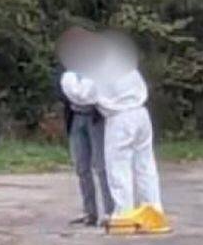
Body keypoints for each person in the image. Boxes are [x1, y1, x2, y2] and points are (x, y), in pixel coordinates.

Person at [59, 30, 162, 216]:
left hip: (120, 118)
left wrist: (68, 79)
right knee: (145, 166)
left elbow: (82, 95)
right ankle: (153, 210)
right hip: (141, 113)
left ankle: (124, 214)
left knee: (118, 167)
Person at [56, 42, 114, 225]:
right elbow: (66, 93)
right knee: (81, 167)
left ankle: (111, 211)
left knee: (101, 165)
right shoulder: (68, 73)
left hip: (95, 117)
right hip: (76, 117)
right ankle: (90, 212)